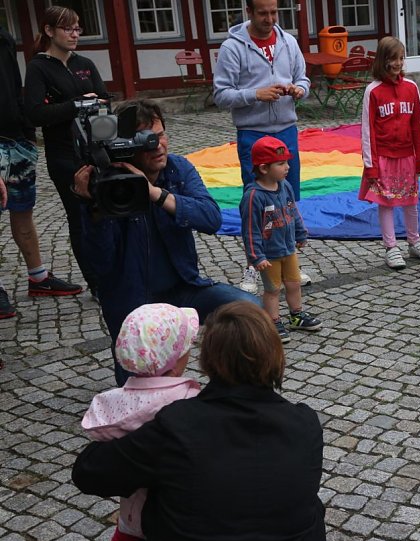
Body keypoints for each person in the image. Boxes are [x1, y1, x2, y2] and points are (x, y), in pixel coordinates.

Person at [72, 301, 329, 541]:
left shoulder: (179, 426)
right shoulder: (305, 424)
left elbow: (89, 472)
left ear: (207, 360)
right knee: (311, 505)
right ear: (276, 355)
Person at [71, 99, 259, 386]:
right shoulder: (109, 183)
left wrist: (154, 193)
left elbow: (211, 218)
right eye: (147, 140)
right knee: (138, 388)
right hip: (132, 303)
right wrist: (92, 208)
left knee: (249, 308)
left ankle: (228, 391)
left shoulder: (177, 169)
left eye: (160, 136)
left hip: (184, 289)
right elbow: (99, 263)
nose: (158, 146)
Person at [81, 304, 201, 541]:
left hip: (131, 510)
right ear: (175, 360)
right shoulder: (186, 401)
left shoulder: (113, 404)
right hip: (174, 513)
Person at [213, 0, 313, 287]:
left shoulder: (288, 42)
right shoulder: (232, 47)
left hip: (286, 130)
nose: (269, 19)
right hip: (253, 133)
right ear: (249, 12)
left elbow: (303, 79)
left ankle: (289, 262)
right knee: (256, 202)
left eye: (274, 12)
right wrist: (255, 94)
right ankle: (252, 266)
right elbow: (220, 95)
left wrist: (299, 90)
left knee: (287, 200)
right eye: (263, 13)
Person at [24, 6, 108, 296]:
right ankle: (97, 284)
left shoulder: (84, 63)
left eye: (77, 29)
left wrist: (96, 103)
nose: (74, 35)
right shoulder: (38, 68)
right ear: (49, 31)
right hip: (63, 155)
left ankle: (115, 274)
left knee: (107, 211)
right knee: (80, 218)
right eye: (68, 29)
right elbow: (35, 113)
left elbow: (104, 99)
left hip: (96, 150)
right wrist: (77, 105)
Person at [1, 24, 80, 319]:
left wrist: (25, 130)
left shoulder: (4, 36)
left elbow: (12, 84)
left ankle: (38, 277)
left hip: (16, 137)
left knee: (23, 209)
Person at [359, 36, 420, 270]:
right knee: (386, 201)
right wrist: (371, 165)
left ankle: (414, 241)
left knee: (411, 200)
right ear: (382, 60)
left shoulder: (411, 88)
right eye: (393, 59)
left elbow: (417, 126)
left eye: (401, 58)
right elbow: (367, 131)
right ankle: (390, 247)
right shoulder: (372, 91)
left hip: (407, 157)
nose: (398, 63)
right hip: (383, 157)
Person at [239, 136, 322, 342]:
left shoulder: (285, 186)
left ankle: (296, 315)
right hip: (269, 255)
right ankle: (273, 321)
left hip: (288, 249)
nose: (287, 167)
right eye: (281, 163)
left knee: (294, 284)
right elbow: (249, 230)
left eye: (287, 162)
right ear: (264, 168)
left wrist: (300, 233)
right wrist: (256, 257)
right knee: (273, 289)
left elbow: (293, 211)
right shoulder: (253, 196)